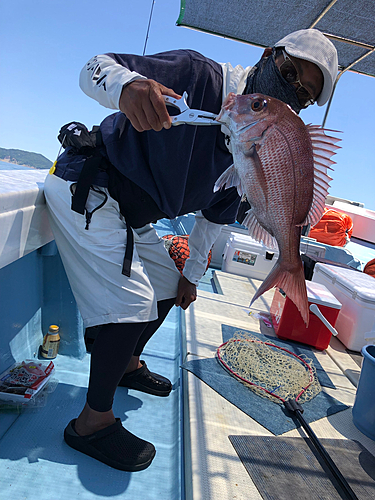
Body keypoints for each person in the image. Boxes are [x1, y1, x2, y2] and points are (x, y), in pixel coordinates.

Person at [44, 29, 338, 471]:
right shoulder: (197, 75)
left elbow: (215, 218)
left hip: (132, 213)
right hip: (88, 186)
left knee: (167, 285)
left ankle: (126, 364)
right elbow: (92, 68)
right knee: (134, 303)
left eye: (304, 92)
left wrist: (191, 276)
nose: (292, 89)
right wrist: (126, 87)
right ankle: (91, 423)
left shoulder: (259, 145)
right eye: (289, 71)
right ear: (267, 55)